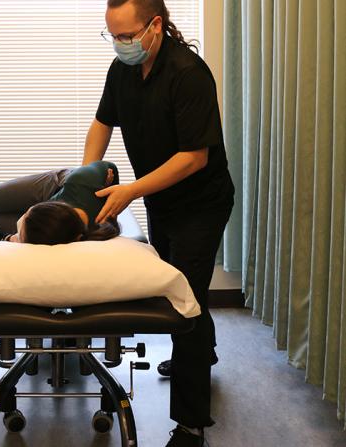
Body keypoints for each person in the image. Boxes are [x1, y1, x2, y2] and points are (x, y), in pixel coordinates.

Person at [83, 1, 235, 446]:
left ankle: (190, 425)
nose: (120, 44)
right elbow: (101, 123)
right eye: (113, 36)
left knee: (184, 302)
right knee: (181, 290)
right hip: (161, 200)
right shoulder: (123, 70)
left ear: (155, 24)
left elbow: (194, 157)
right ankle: (202, 354)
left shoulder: (188, 73)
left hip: (201, 204)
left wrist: (131, 191)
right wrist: (84, 177)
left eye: (127, 36)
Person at [0, 160, 121, 245]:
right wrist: (107, 184)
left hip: (54, 210)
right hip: (60, 183)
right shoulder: (81, 183)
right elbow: (110, 167)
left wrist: (11, 239)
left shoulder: (78, 235)